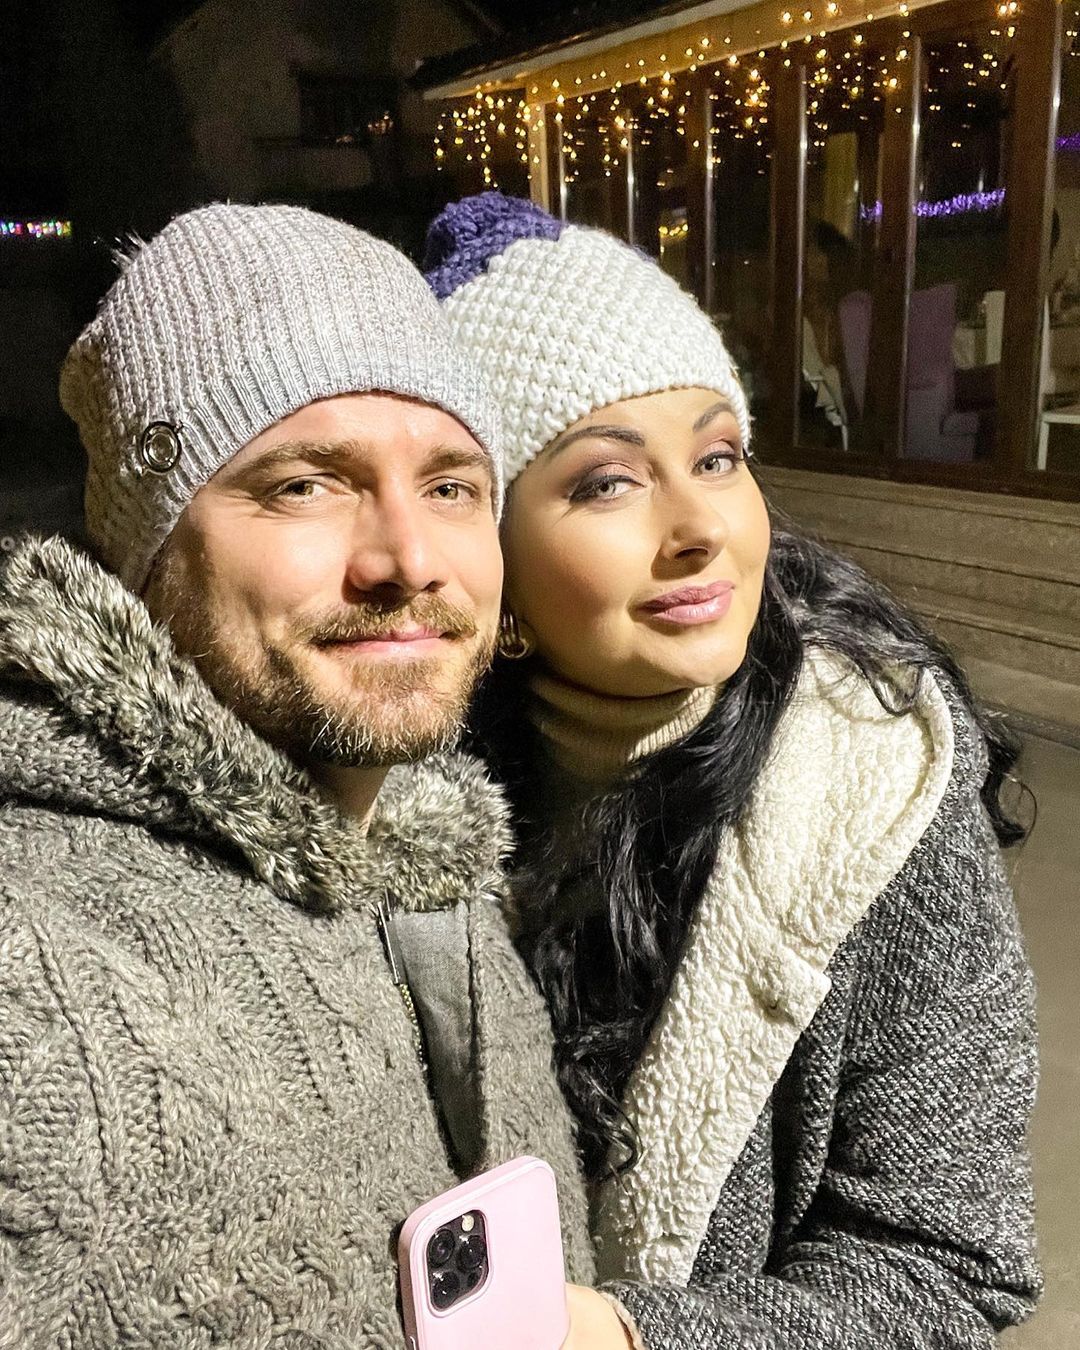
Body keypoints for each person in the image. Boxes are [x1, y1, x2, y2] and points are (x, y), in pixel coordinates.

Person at [424, 191, 1043, 1348]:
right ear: (488, 553)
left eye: (717, 457)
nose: (700, 527)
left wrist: (624, 1338)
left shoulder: (874, 792)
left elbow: (948, 1263)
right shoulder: (404, 788)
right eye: (607, 482)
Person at [0, 202, 595, 1346]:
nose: (408, 559)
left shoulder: (430, 853)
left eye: (451, 486)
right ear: (143, 552)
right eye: (303, 486)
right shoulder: (37, 972)